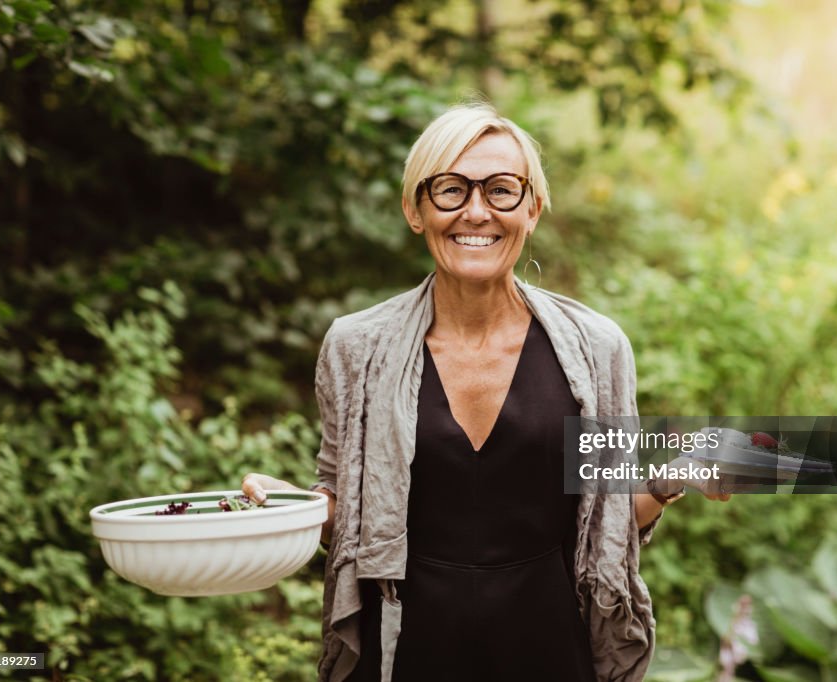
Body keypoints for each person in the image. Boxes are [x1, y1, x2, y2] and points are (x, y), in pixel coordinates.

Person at [242, 102, 731, 682]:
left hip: (549, 647)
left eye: (501, 189)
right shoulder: (357, 347)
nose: (476, 211)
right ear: (415, 209)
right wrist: (292, 507)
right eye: (450, 189)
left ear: (533, 208)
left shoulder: (595, 349)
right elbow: (345, 515)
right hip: (406, 649)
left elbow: (606, 521)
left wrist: (677, 475)